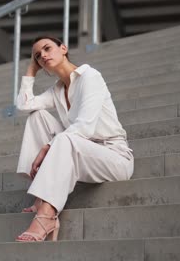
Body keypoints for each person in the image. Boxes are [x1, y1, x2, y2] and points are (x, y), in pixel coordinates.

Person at [15, 36, 134, 242]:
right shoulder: (57, 89)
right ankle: (42, 193)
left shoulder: (90, 76)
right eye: (37, 56)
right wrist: (31, 71)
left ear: (63, 48)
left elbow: (85, 127)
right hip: (81, 151)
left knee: (64, 139)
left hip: (114, 156)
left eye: (47, 48)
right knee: (37, 116)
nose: (43, 55)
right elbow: (24, 105)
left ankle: (47, 215)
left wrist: (48, 147)